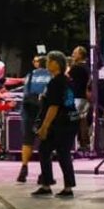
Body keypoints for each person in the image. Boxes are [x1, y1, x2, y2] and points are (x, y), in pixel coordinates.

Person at [33, 51, 77, 199]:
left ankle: (48, 184)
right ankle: (66, 186)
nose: (46, 63)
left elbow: (54, 106)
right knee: (62, 153)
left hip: (58, 124)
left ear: (56, 64)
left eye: (49, 61)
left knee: (45, 150)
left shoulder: (56, 82)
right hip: (70, 122)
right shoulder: (67, 80)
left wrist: (44, 126)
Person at [16, 55, 51, 183]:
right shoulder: (50, 76)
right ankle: (44, 172)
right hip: (43, 111)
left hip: (28, 110)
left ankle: (24, 168)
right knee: (44, 142)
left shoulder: (30, 75)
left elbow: (26, 93)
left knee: (27, 141)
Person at [67, 47, 91, 154]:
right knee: (83, 121)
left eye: (75, 53)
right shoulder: (86, 67)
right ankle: (84, 144)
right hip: (83, 98)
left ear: (80, 55)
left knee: (73, 121)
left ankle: (74, 145)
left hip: (76, 97)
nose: (72, 54)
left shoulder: (76, 67)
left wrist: (68, 66)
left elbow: (66, 76)